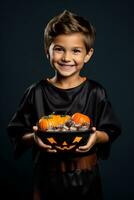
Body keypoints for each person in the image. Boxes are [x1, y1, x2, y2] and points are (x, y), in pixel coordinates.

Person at [7, 10, 121, 200]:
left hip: (87, 179)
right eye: (59, 49)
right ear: (47, 51)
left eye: (76, 50)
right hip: (47, 179)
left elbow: (111, 130)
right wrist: (34, 138)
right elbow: (17, 133)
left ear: (88, 54)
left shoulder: (95, 92)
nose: (67, 58)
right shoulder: (36, 92)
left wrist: (95, 137)